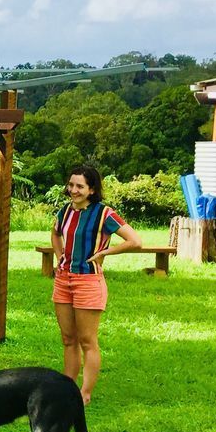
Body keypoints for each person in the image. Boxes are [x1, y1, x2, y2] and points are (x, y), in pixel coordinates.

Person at [51, 165, 141, 406]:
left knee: (87, 340)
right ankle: (66, 388)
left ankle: (85, 394)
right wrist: (59, 255)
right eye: (71, 185)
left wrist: (105, 253)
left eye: (80, 186)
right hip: (63, 280)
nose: (73, 190)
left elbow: (135, 241)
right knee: (68, 338)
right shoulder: (64, 211)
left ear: (91, 189)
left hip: (88, 282)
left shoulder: (104, 214)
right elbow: (56, 234)